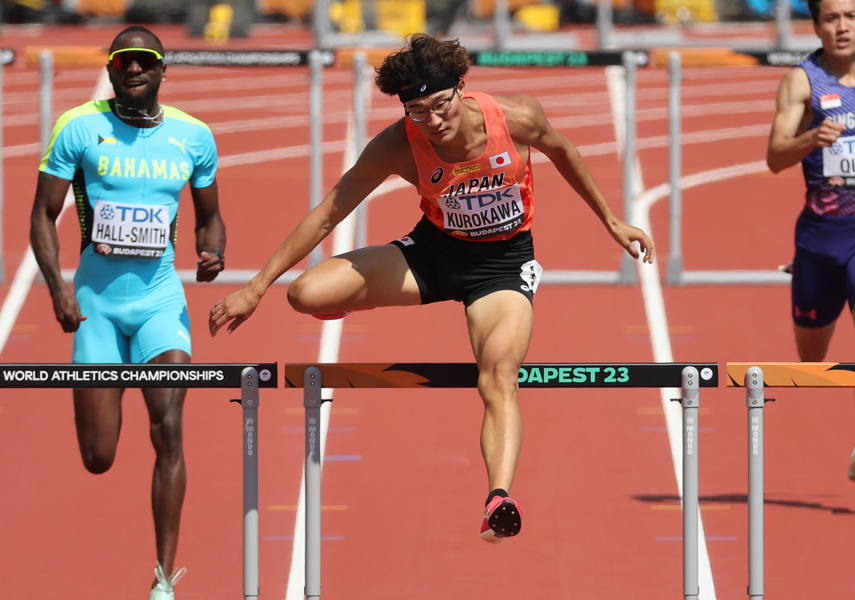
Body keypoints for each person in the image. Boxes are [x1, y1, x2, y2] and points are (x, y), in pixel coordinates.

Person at [209, 34, 653, 542]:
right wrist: (258, 286)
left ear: (461, 89)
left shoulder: (517, 118)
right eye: (417, 111)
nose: (433, 121)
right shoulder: (400, 143)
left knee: (500, 373)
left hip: (501, 267)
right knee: (304, 295)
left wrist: (613, 221)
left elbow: (566, 153)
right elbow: (331, 210)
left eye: (440, 105)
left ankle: (498, 498)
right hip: (432, 254)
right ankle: (348, 301)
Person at [30, 26, 225, 598]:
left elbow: (209, 215)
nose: (134, 69)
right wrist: (57, 289)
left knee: (168, 423)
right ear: (111, 70)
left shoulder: (193, 136)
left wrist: (212, 249)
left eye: (145, 61)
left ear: (163, 70)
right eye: (123, 62)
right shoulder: (79, 127)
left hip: (161, 301)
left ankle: (164, 578)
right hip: (95, 305)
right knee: (98, 457)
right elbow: (43, 215)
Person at [767, 0, 855, 482]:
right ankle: (802, 274)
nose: (841, 27)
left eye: (850, 16)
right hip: (820, 239)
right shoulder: (801, 82)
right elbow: (775, 157)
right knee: (811, 359)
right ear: (817, 25)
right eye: (830, 19)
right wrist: (811, 138)